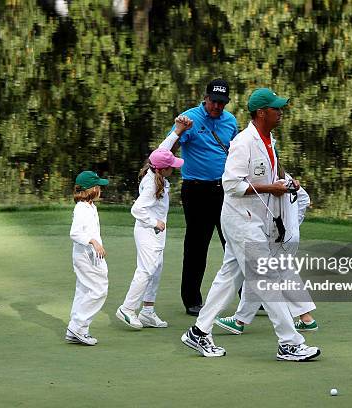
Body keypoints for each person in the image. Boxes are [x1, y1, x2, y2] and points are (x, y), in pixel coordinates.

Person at [181, 88, 321, 361]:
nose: (280, 113)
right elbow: (231, 184)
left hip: (256, 220)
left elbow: (272, 171)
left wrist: (287, 182)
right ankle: (290, 342)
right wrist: (272, 188)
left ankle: (199, 332)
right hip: (240, 220)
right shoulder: (243, 142)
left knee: (228, 277)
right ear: (261, 113)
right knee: (266, 278)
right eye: (276, 109)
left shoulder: (269, 140)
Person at [159, 78, 238, 316]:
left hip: (225, 190)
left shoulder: (230, 121)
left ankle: (249, 297)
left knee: (234, 243)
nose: (217, 107)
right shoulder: (189, 118)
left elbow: (236, 152)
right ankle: (192, 299)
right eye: (214, 101)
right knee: (197, 245)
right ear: (205, 98)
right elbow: (165, 151)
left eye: (221, 103)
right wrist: (179, 129)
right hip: (196, 190)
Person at [215, 181, 319, 335]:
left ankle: (240, 321)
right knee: (268, 274)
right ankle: (306, 319)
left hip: (278, 237)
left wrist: (290, 224)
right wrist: (293, 225)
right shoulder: (281, 179)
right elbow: (304, 198)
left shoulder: (270, 181)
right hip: (286, 235)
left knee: (261, 275)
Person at [116, 144, 186, 329]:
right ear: (163, 169)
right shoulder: (151, 184)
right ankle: (127, 308)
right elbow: (137, 209)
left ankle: (147, 311)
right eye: (172, 166)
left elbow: (163, 149)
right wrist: (154, 222)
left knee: (155, 270)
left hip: (156, 234)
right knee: (146, 270)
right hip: (148, 232)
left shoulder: (158, 176)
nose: (174, 168)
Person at [65, 170, 110, 346]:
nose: (100, 189)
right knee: (99, 290)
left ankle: (74, 329)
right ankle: (79, 327)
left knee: (84, 290)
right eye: (98, 186)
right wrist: (93, 242)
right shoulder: (82, 208)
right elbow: (75, 233)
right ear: (91, 189)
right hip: (86, 256)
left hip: (89, 255)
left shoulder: (90, 206)